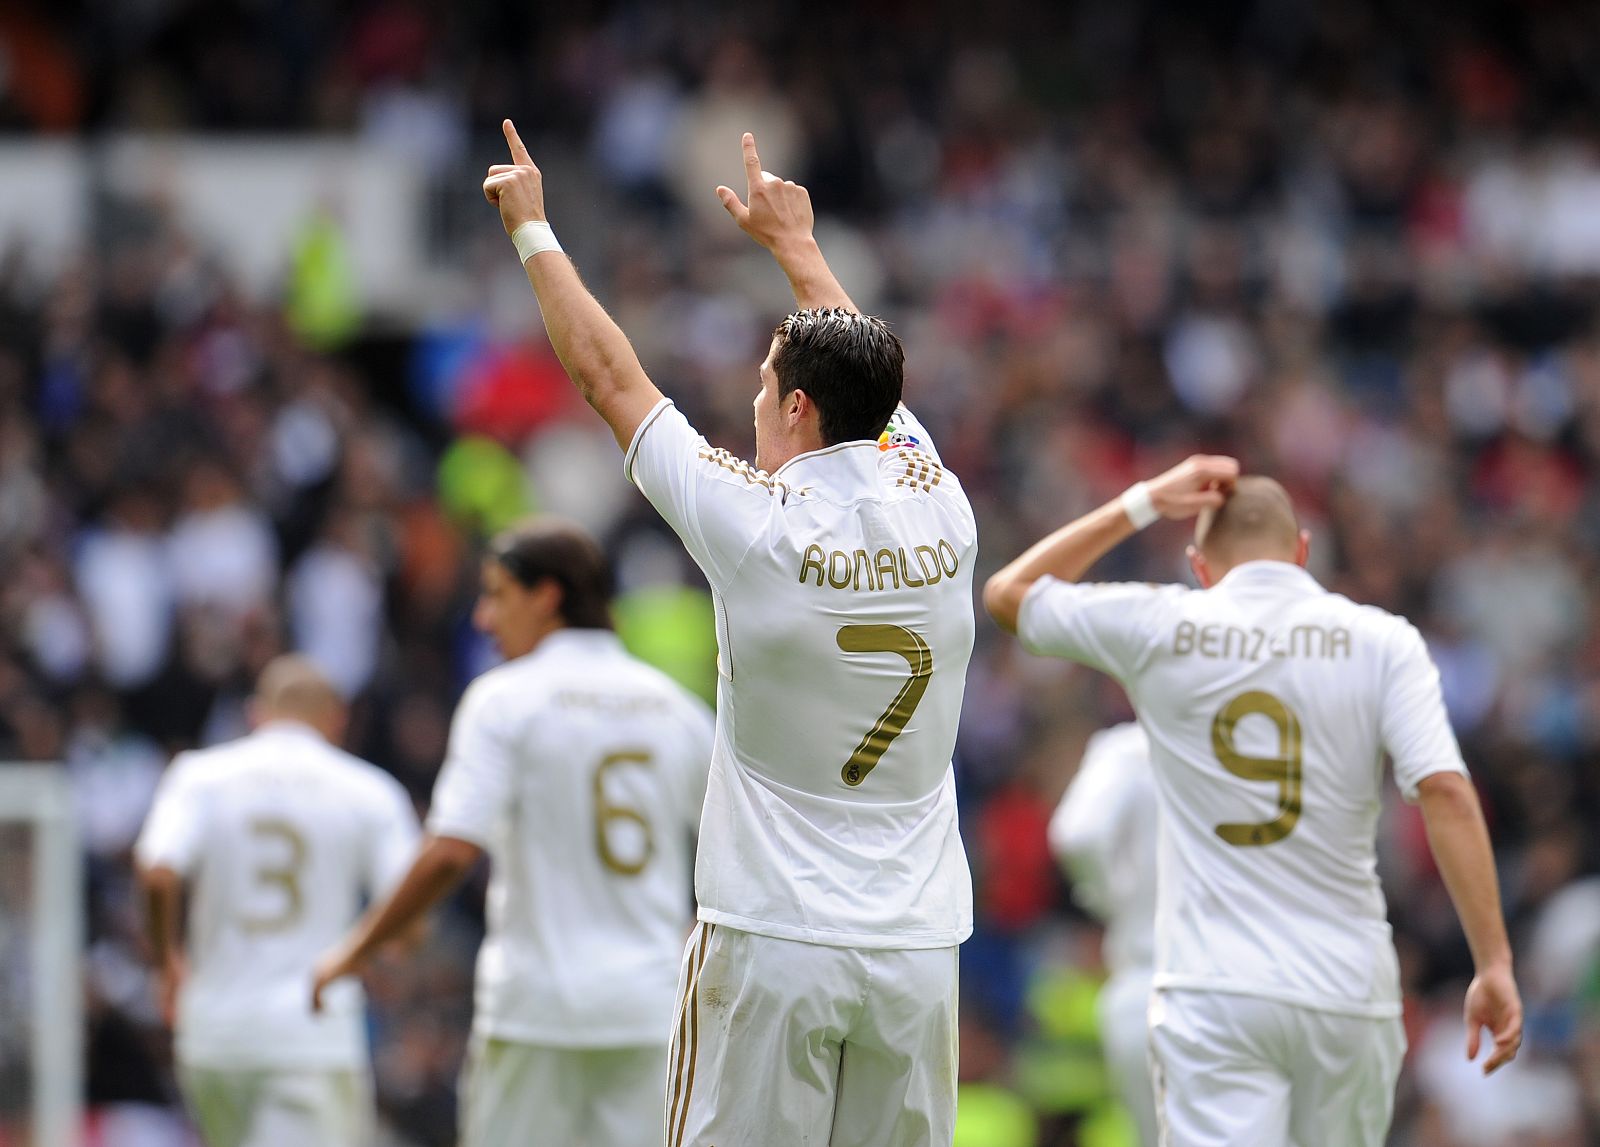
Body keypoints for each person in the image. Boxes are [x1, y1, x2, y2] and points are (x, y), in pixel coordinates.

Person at [482, 122, 976, 1145]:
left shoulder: (755, 524)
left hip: (771, 937)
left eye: (761, 390)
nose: (752, 405)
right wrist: (795, 248)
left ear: (795, 408)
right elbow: (871, 393)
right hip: (919, 951)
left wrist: (533, 230)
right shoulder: (944, 503)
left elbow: (612, 382)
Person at [984, 467, 1524, 1147]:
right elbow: (1445, 789)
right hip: (1347, 985)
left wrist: (1143, 501)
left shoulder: (1163, 622)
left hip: (1213, 988)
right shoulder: (1385, 640)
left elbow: (1008, 594)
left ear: (1200, 565)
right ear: (1301, 551)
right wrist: (1493, 961)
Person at [311, 517, 713, 1147]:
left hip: (538, 1011)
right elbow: (731, 850)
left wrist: (355, 949)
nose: (483, 618)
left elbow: (450, 850)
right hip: (649, 1007)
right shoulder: (678, 710)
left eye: (496, 594)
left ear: (546, 596)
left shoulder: (503, 701)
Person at [134, 655, 421, 1147]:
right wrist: (374, 950)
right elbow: (410, 911)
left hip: (214, 1036)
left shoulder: (199, 775)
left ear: (256, 713)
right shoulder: (369, 790)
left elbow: (159, 873)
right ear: (337, 717)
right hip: (309, 1037)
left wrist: (167, 961)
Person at [1049, 721, 1160, 1147]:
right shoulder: (1246, 745)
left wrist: (1114, 901)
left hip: (1144, 981)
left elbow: (1078, 835)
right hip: (1243, 981)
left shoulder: (1129, 749)